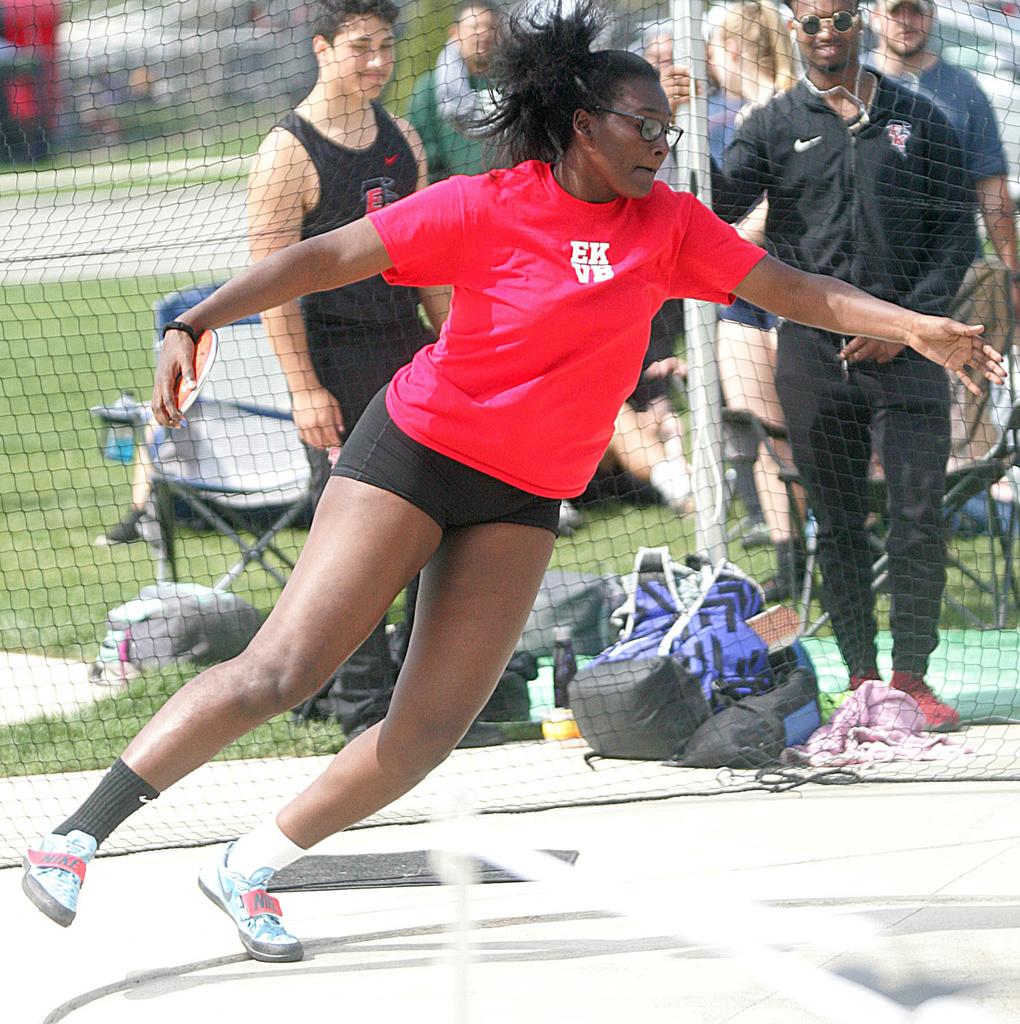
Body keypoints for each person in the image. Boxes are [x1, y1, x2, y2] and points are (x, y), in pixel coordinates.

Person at [22, 0, 999, 962]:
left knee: (428, 730)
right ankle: (75, 834)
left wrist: (916, 325)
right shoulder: (488, 204)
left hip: (525, 492)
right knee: (286, 670)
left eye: (670, 124)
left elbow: (787, 287)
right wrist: (194, 323)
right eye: (645, 125)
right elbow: (323, 257)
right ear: (582, 124)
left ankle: (249, 862)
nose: (663, 141)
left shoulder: (667, 225)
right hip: (417, 449)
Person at [713, 0, 981, 730]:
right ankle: (862, 678)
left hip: (911, 351)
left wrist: (909, 325)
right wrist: (676, 134)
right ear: (792, 31)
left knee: (919, 517)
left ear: (860, 23)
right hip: (813, 354)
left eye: (838, 19)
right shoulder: (770, 126)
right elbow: (714, 205)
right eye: (811, 24)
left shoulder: (919, 118)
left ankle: (913, 678)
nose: (826, 35)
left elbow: (958, 232)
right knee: (834, 522)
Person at [246, 0, 448, 742]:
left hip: (409, 360)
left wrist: (457, 348)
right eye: (360, 47)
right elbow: (274, 288)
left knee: (433, 524)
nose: (376, 62)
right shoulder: (286, 153)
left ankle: (424, 693)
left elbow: (428, 261)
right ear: (322, 48)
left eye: (385, 47)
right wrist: (304, 389)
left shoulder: (402, 139)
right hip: (336, 365)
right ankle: (358, 702)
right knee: (353, 544)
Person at [867, 0, 1020, 309]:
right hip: (869, 277)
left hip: (953, 274)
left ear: (932, 15)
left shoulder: (963, 90)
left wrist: (1011, 276)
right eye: (896, 11)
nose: (906, 21)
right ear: (874, 17)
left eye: (916, 11)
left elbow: (992, 190)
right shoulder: (856, 83)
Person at [407, 0, 499, 182]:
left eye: (490, 27)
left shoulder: (515, 84)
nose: (483, 33)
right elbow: (423, 155)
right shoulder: (429, 89)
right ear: (455, 33)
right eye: (475, 26)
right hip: (455, 199)